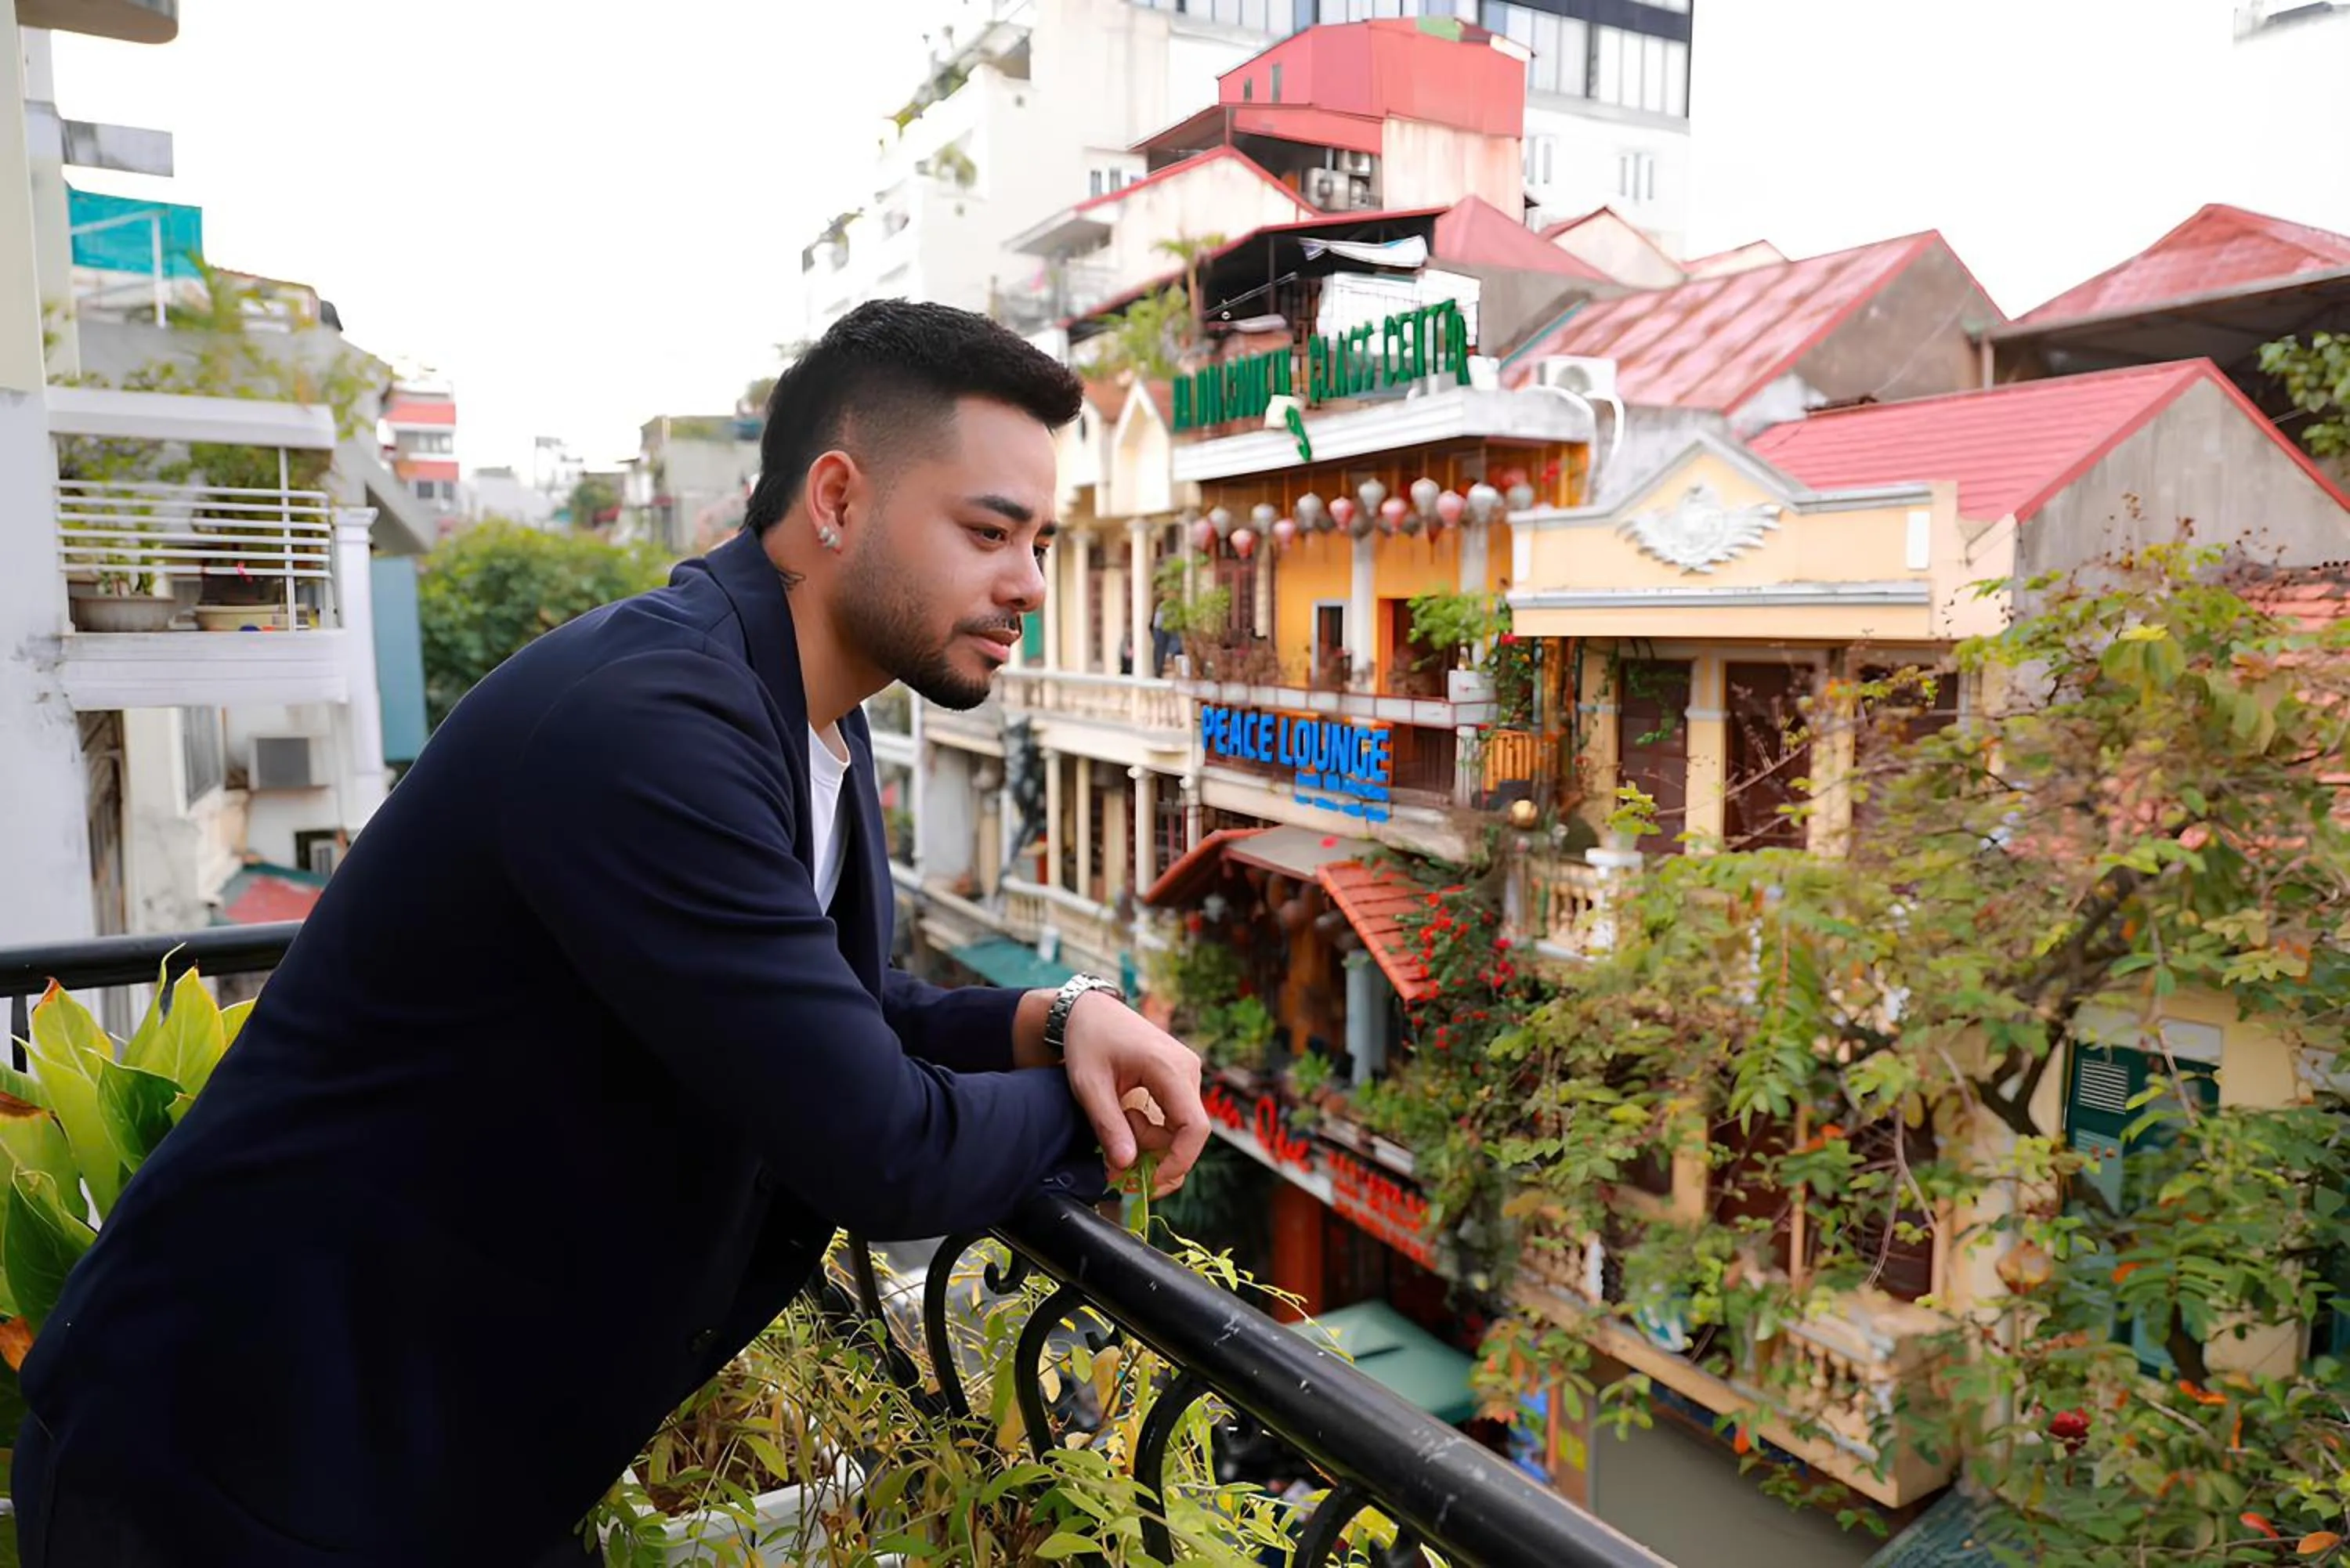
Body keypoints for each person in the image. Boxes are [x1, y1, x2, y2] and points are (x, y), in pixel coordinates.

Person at [13, 299, 1211, 1566]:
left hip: (434, 1458)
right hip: (233, 1465)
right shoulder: (651, 724)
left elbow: (811, 1005)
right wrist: (1093, 1111)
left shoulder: (812, 725)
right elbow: (878, 1145)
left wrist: (1052, 1018)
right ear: (840, 499)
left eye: (1040, 539)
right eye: (990, 532)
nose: (1028, 581)